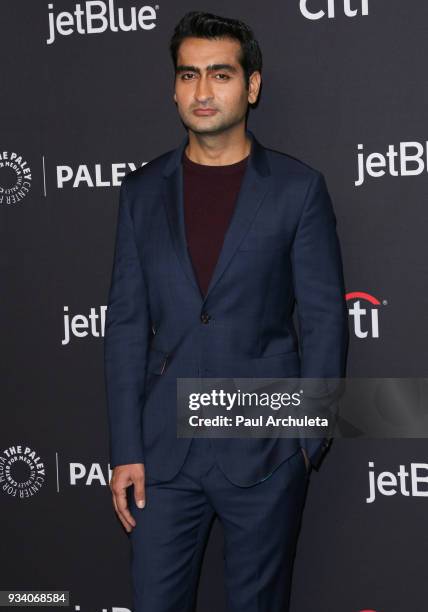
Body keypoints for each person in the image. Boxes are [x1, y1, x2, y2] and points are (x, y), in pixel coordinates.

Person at [104, 10, 349, 612]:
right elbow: (127, 327)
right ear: (174, 87)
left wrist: (304, 437)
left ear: (252, 85)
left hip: (265, 449)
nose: (203, 91)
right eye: (189, 75)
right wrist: (126, 449)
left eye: (220, 74)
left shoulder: (298, 189)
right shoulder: (141, 192)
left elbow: (323, 321)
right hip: (162, 456)